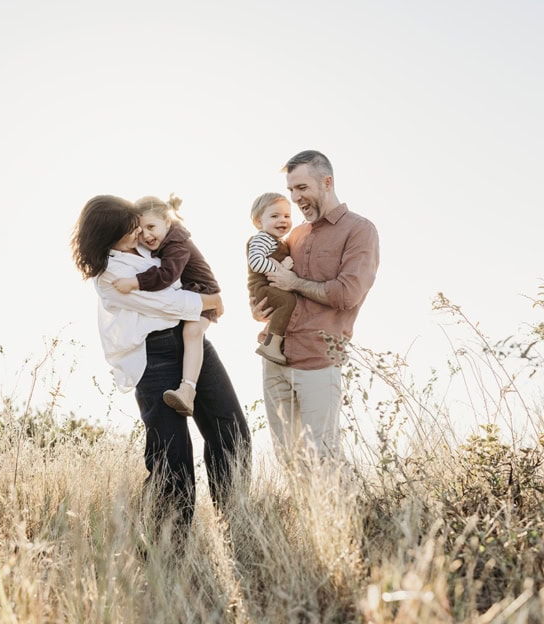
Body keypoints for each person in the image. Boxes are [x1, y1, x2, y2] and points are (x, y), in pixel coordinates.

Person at [72, 195, 251, 531]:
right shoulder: (108, 276)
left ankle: (237, 524)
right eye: (127, 231)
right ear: (107, 236)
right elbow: (166, 303)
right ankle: (170, 547)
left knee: (232, 432)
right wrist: (211, 300)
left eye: (136, 226)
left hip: (190, 341)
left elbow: (177, 259)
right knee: (172, 458)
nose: (137, 234)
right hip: (153, 357)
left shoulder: (142, 245)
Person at [252, 150, 379, 462]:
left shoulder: (359, 230)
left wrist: (294, 284)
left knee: (323, 458)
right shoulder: (294, 234)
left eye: (302, 188)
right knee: (288, 459)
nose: (295, 198)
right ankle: (304, 514)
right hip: (275, 359)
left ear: (327, 182)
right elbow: (267, 280)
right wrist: (258, 307)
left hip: (318, 362)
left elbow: (347, 293)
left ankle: (337, 513)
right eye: (291, 190)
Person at [111, 195, 218, 417]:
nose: (147, 235)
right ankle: (187, 388)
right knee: (191, 332)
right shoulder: (164, 241)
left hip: (202, 291)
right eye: (140, 231)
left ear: (167, 223)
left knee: (192, 332)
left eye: (151, 227)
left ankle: (188, 388)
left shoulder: (177, 244)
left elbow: (167, 275)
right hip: (193, 293)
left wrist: (134, 282)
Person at [246, 192, 298, 365]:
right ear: (259, 222)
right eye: (275, 216)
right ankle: (271, 344)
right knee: (288, 301)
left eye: (287, 216)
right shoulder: (262, 238)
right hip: (261, 289)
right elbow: (255, 262)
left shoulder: (278, 241)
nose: (282, 220)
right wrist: (280, 269)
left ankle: (268, 332)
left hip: (269, 288)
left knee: (285, 303)